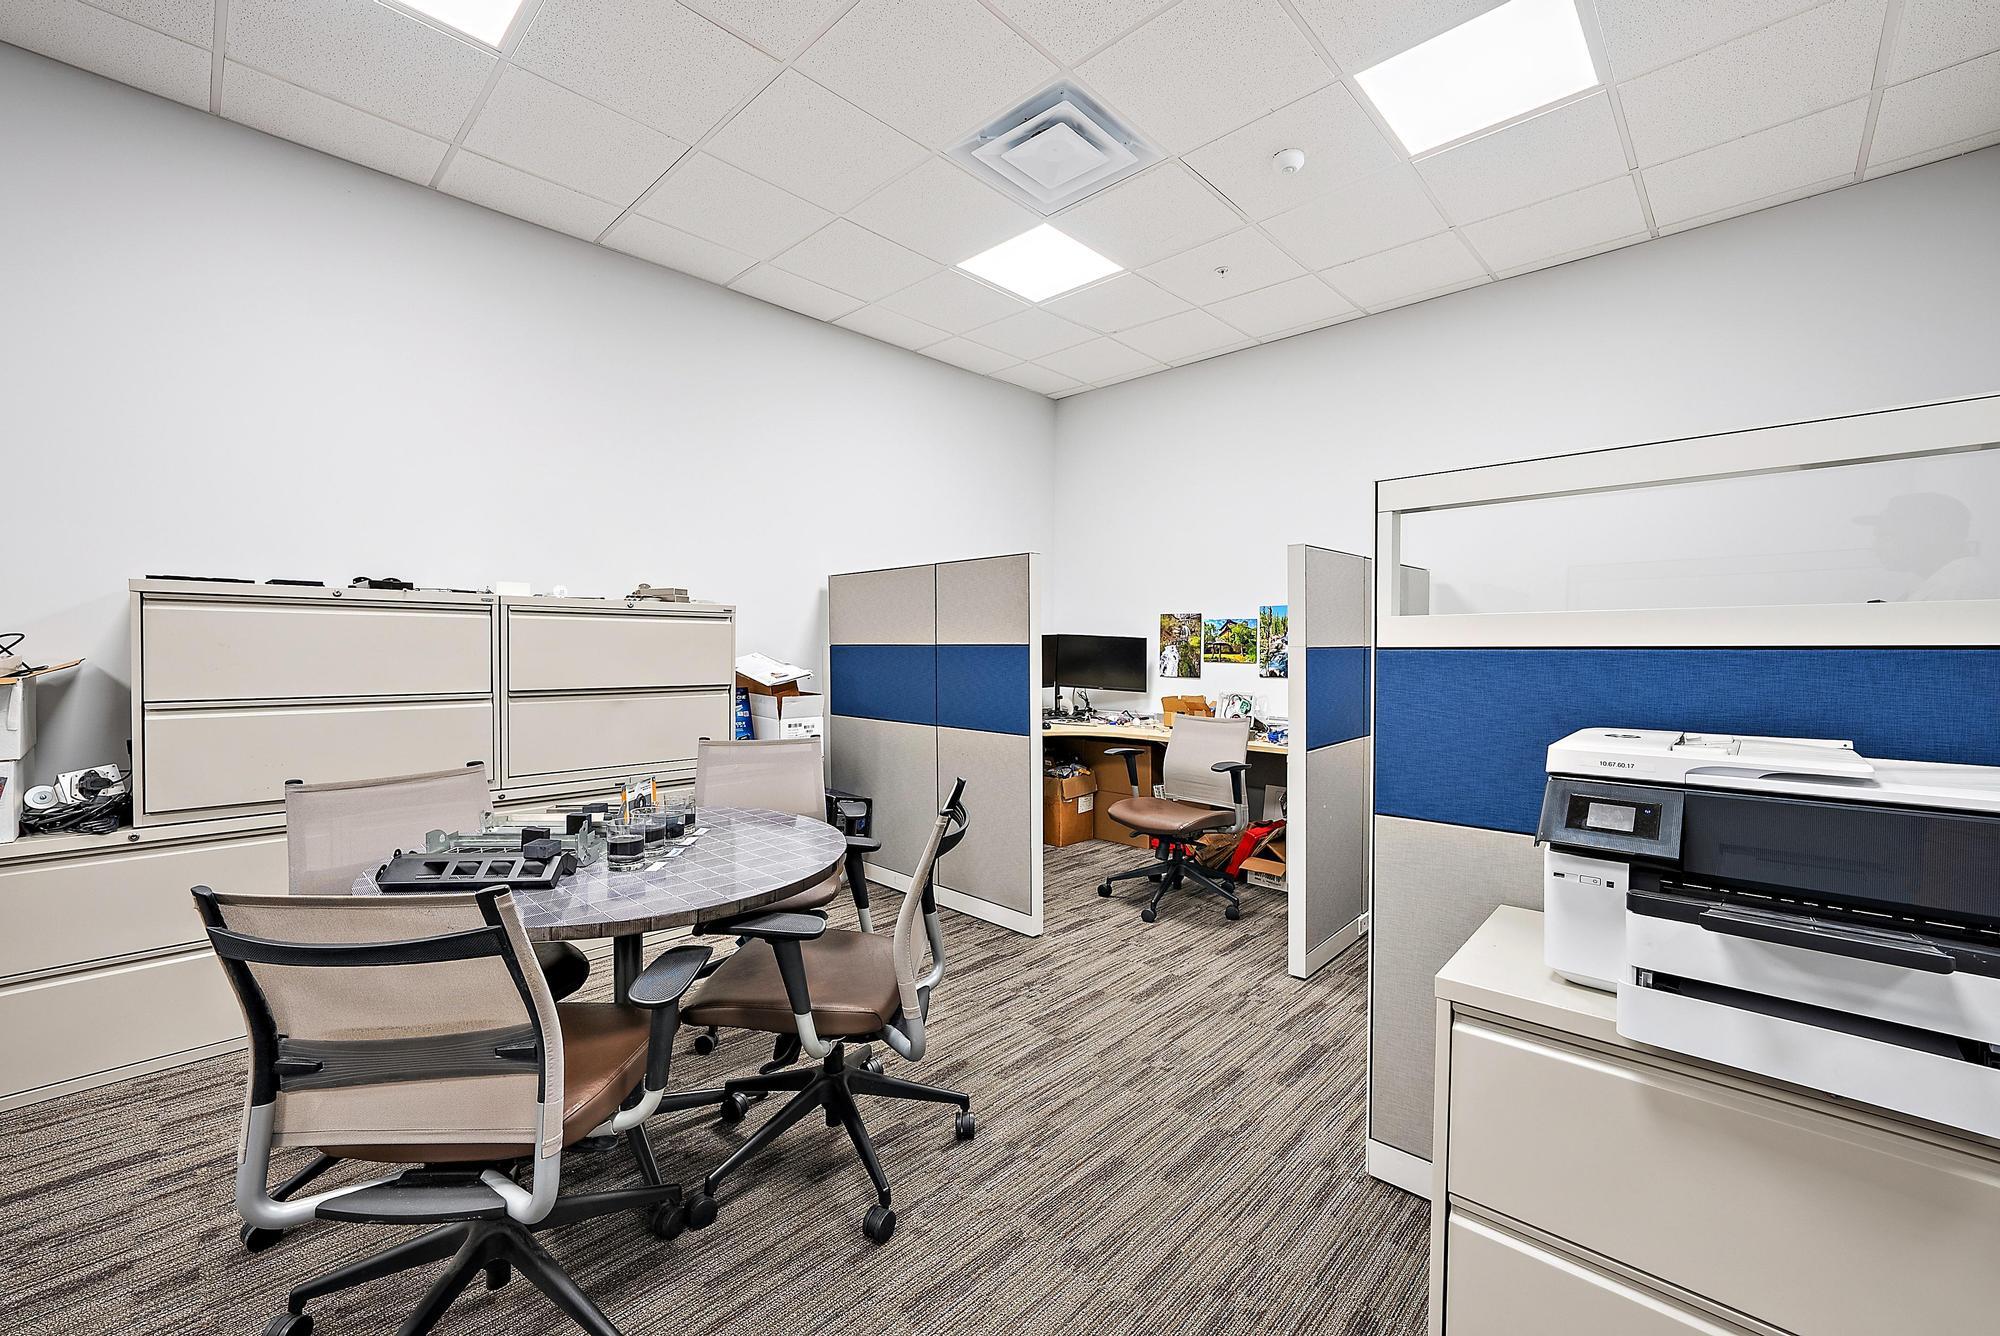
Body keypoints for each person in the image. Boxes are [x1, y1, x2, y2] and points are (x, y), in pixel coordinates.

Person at [1857, 492, 1998, 601]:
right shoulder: (1933, 578)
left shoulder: (1959, 589)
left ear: (1929, 536)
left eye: (1886, 537)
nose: (1876, 548)